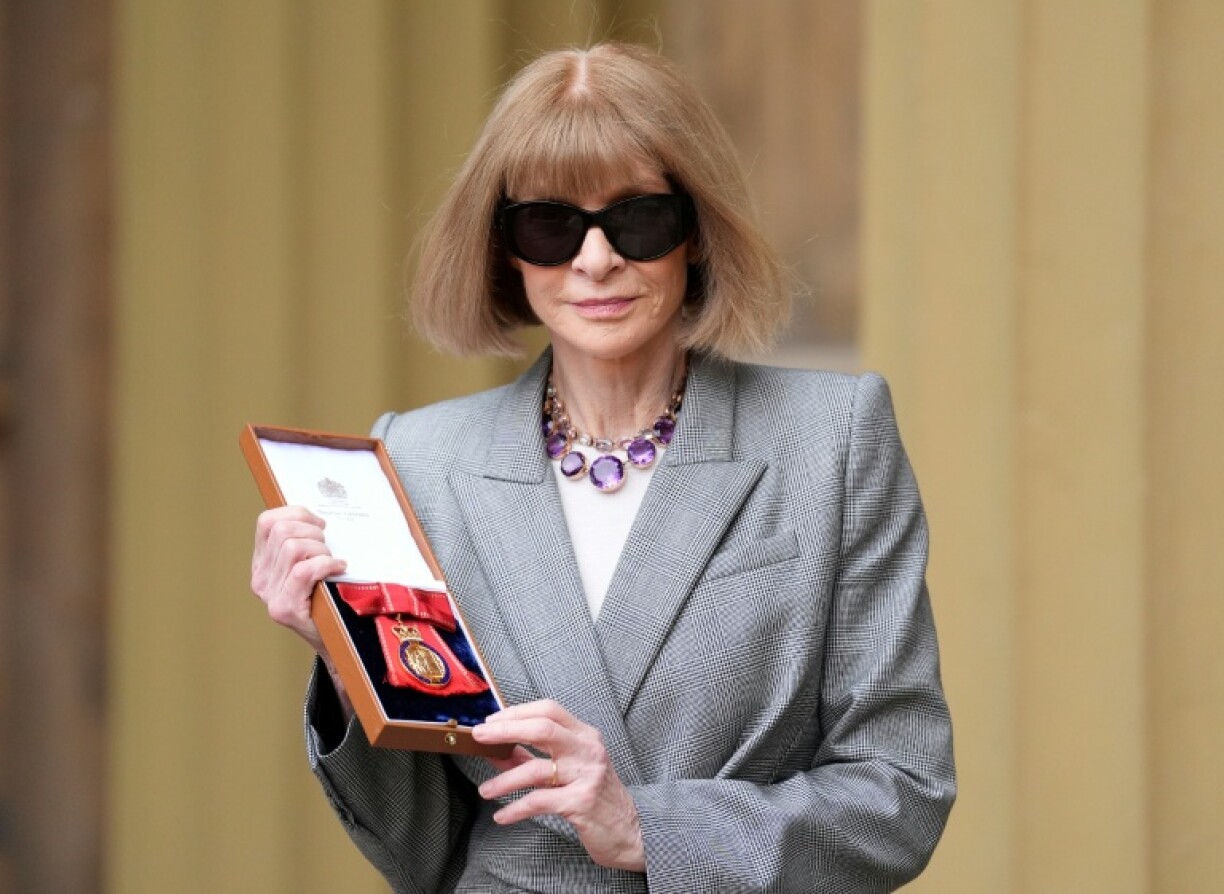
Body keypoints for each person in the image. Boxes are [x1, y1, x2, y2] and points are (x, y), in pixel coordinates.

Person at [250, 42, 954, 893]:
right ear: (504, 247)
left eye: (637, 219)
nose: (594, 260)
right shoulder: (419, 461)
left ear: (694, 231)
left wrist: (648, 827)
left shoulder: (832, 440)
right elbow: (422, 849)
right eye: (549, 225)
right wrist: (345, 653)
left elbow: (902, 791)